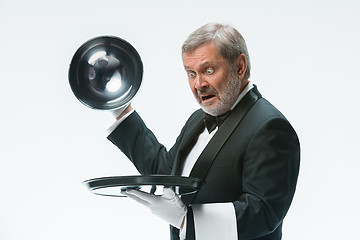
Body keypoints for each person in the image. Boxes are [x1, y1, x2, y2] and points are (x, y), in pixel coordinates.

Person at [107, 23, 300, 240]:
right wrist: (121, 109)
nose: (198, 84)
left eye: (208, 70)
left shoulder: (270, 126)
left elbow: (263, 212)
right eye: (191, 74)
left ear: (240, 67)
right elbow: (165, 171)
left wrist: (185, 220)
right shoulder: (197, 119)